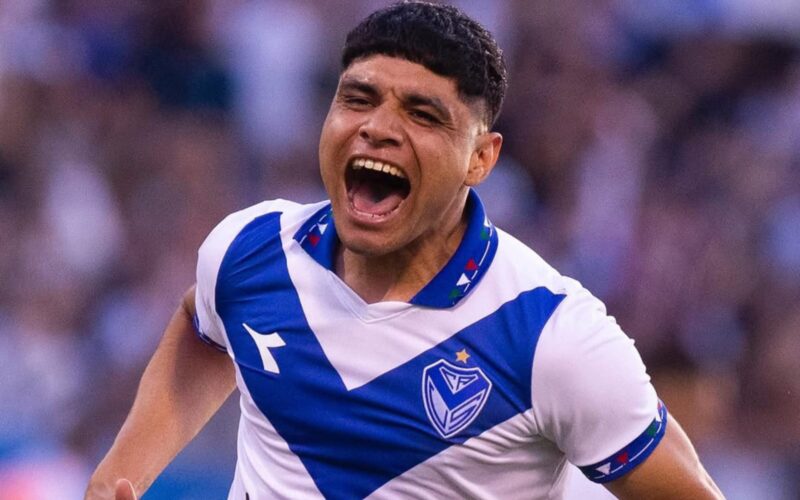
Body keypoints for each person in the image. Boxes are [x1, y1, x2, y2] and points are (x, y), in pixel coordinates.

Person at [85, 2, 724, 499]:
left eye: (423, 114)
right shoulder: (250, 252)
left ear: (482, 157)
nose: (379, 127)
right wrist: (122, 473)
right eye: (357, 98)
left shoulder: (549, 336)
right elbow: (203, 328)